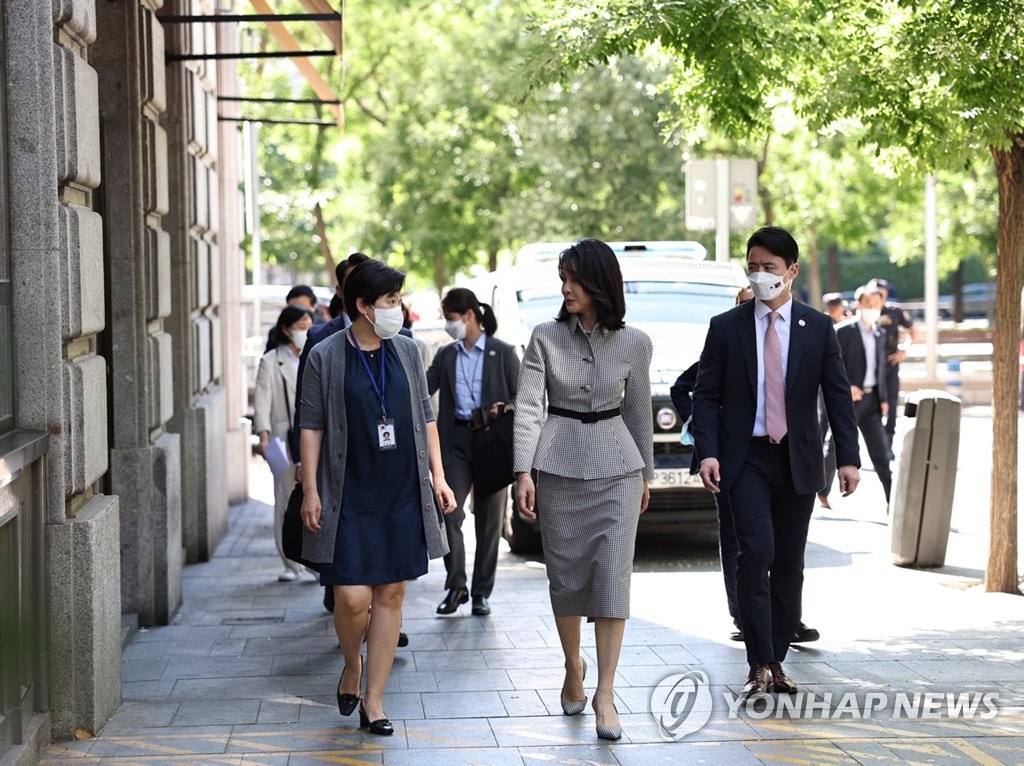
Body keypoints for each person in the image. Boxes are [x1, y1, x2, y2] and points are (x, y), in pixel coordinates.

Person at [692, 226, 860, 701]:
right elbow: (705, 395)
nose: (760, 275)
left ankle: (777, 661)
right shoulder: (727, 326)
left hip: (798, 460)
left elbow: (837, 398)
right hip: (745, 459)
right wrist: (707, 450)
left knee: (789, 563)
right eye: (753, 266)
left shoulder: (818, 327)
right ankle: (756, 661)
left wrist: (848, 459)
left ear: (791, 271)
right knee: (756, 552)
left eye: (769, 267)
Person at [297, 259, 456, 736]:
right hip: (349, 493)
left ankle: (375, 701)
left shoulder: (408, 351)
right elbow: (311, 426)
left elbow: (425, 418)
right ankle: (352, 664)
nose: (398, 310)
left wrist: (439, 477)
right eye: (390, 302)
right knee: (350, 598)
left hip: (401, 491)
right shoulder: (325, 355)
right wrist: (310, 489)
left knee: (391, 592)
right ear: (363, 306)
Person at [514, 238, 653, 741]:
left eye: (574, 278)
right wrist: (523, 471)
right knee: (567, 578)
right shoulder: (545, 336)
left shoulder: (636, 342)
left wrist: (645, 474)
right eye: (562, 278)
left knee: (614, 579)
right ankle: (574, 665)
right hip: (558, 467)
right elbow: (529, 408)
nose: (565, 287)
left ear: (599, 283)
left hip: (618, 467)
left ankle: (606, 693)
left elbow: (638, 411)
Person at [672, 287, 819, 646]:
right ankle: (742, 615)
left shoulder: (792, 343)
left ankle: (787, 619)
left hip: (778, 458)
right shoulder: (723, 343)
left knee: (782, 548)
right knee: (738, 542)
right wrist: (701, 428)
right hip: (727, 459)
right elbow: (685, 389)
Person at [427, 288, 520, 617]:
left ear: (469, 316)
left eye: (451, 318)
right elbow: (425, 391)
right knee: (449, 513)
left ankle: (481, 592)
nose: (448, 325)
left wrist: (503, 408)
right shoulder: (446, 354)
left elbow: (524, 398)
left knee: (490, 522)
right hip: (456, 441)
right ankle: (456, 586)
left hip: (492, 442)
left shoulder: (504, 352)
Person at [254, 305, 314, 581]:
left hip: (310, 435)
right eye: (301, 325)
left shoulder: (315, 355)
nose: (305, 331)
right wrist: (263, 435)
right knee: (285, 498)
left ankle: (314, 561)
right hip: (280, 439)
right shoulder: (271, 360)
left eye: (308, 325)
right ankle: (291, 562)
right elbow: (262, 400)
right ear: (286, 328)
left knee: (313, 493)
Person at [835, 284, 893, 504]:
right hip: (850, 400)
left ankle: (892, 498)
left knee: (881, 452)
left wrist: (884, 398)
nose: (874, 308)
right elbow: (835, 366)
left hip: (872, 400)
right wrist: (846, 387)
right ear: (859, 304)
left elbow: (880, 369)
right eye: (869, 303)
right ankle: (820, 492)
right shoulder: (843, 331)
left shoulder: (879, 333)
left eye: (877, 304)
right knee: (834, 447)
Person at [867, 278, 914, 449]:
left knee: (892, 403)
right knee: (872, 405)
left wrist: (904, 351)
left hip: (890, 363)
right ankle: (877, 446)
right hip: (871, 365)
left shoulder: (895, 311)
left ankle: (888, 445)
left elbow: (912, 331)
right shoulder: (866, 311)